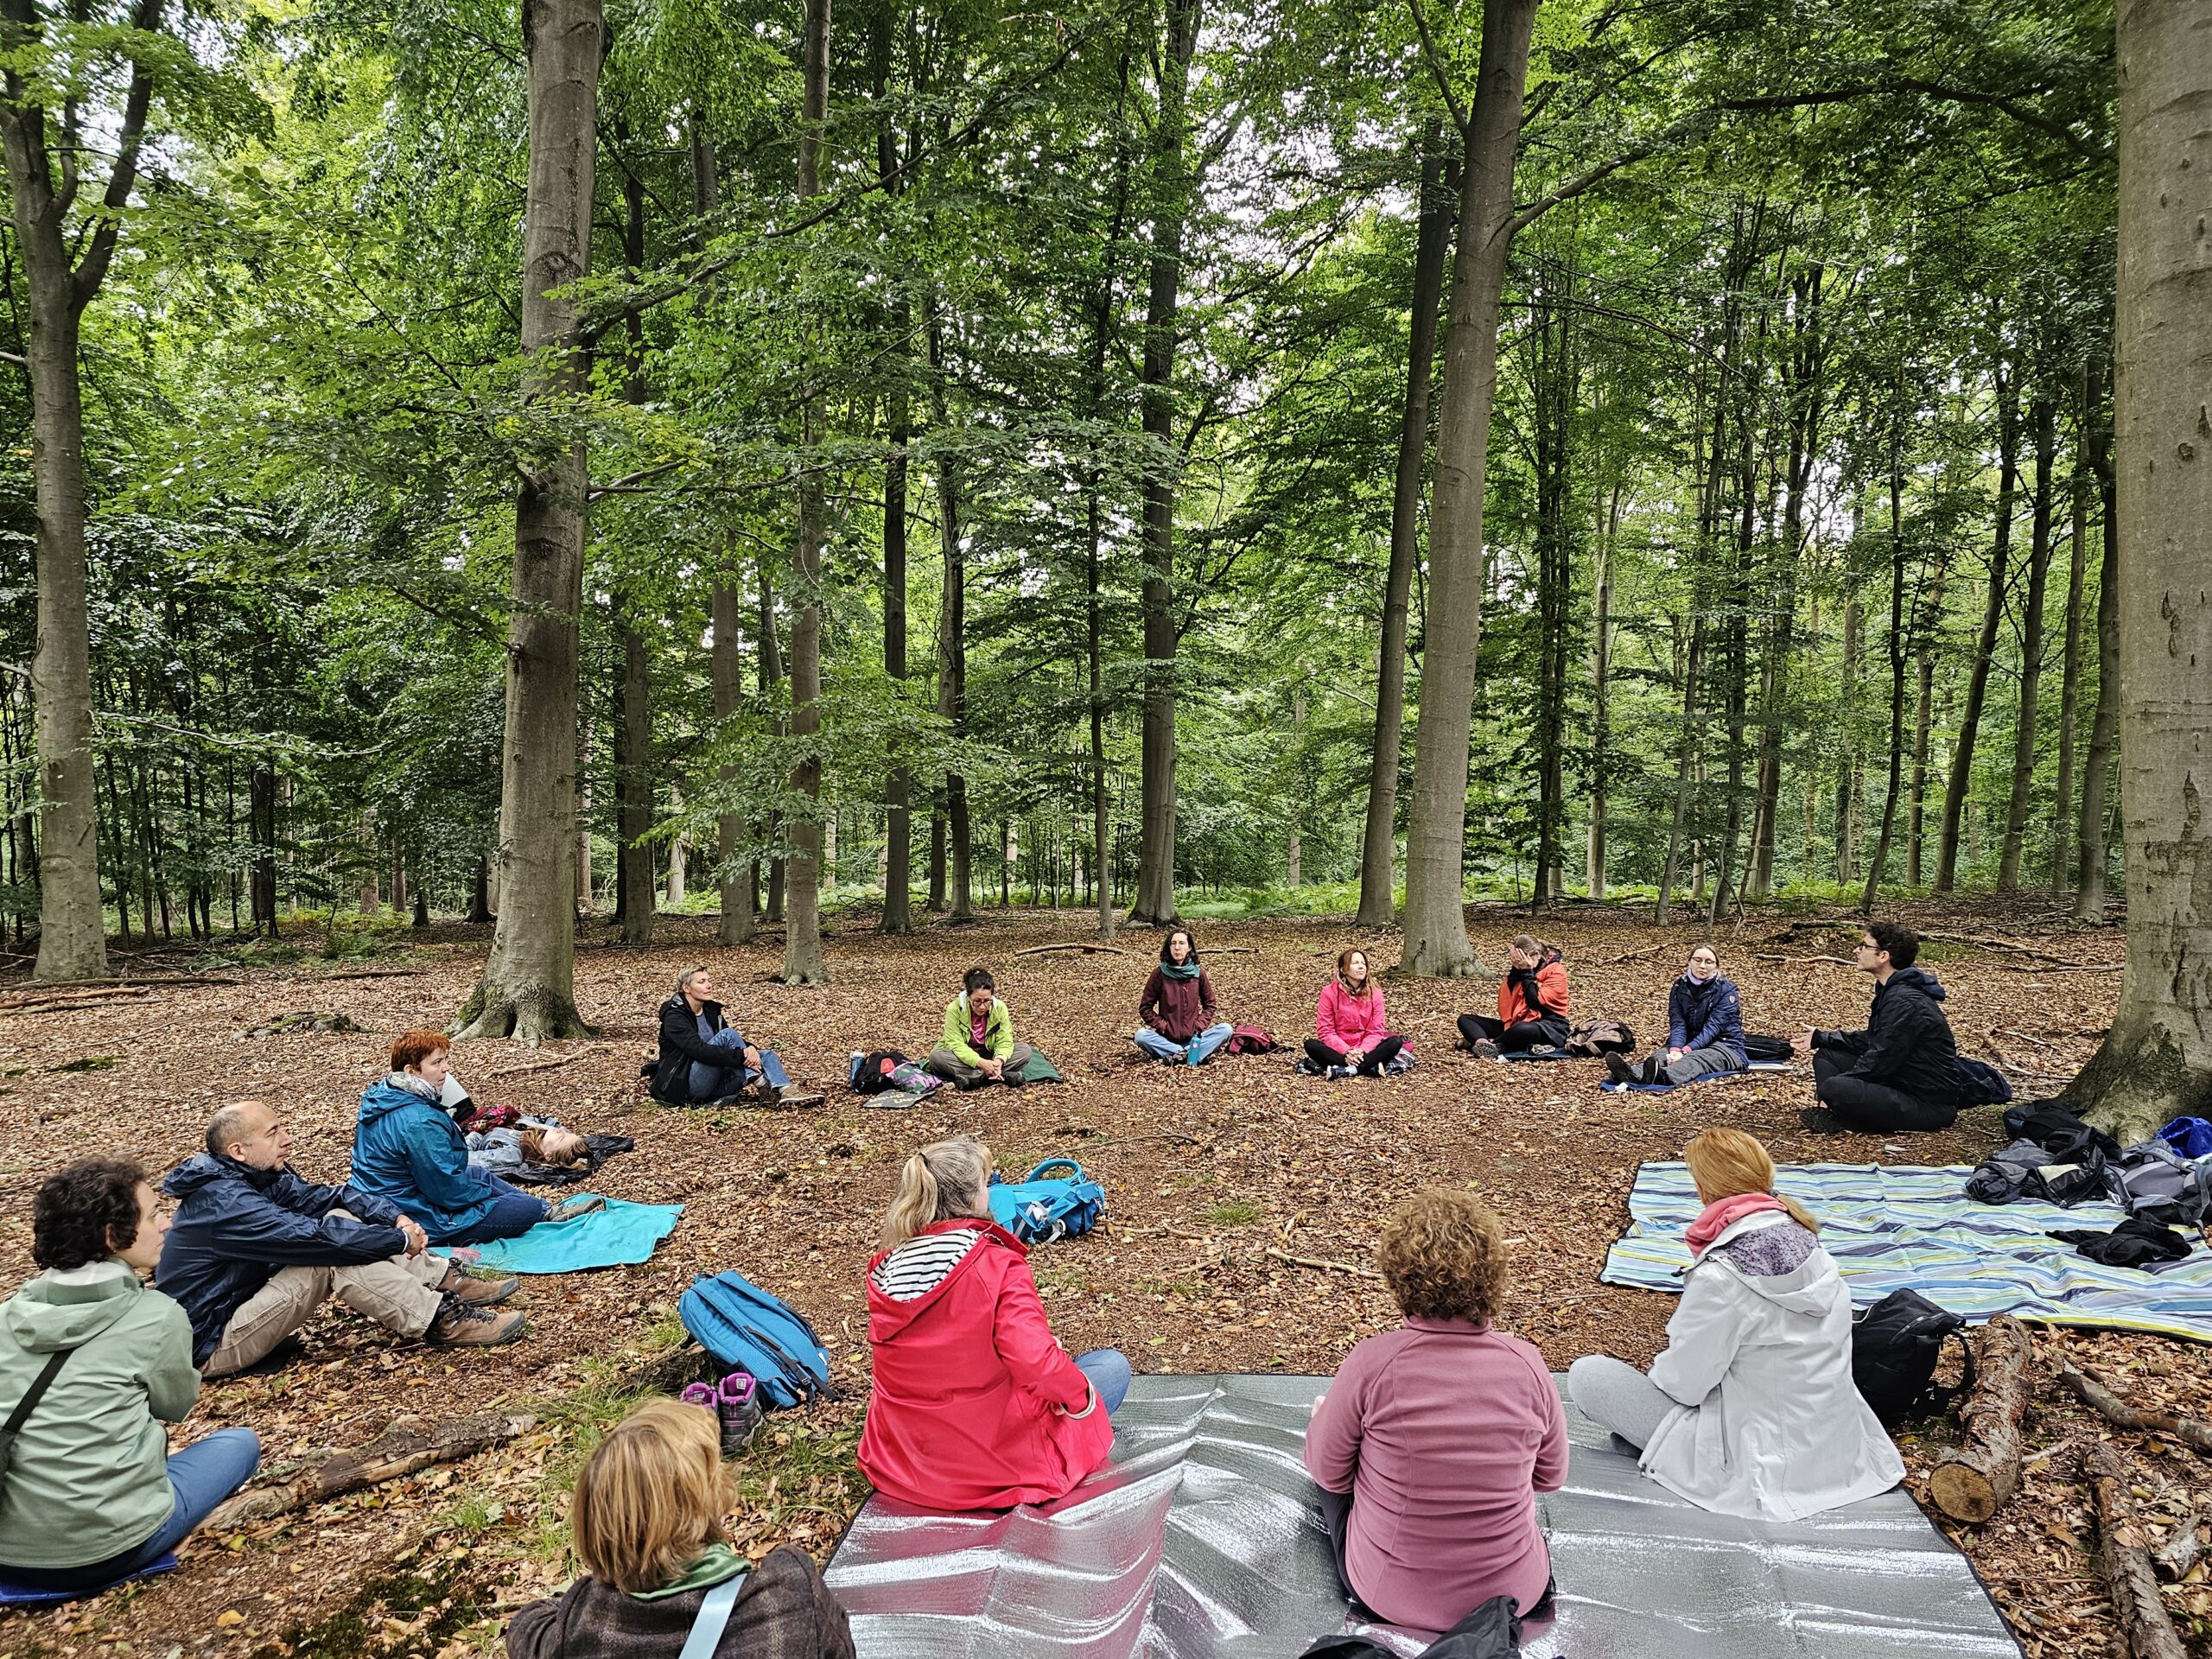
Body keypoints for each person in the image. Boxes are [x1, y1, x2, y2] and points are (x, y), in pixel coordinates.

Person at [1567, 1128, 1904, 1520]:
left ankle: (1659, 1449)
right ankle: (1655, 1444)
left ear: (1702, 1190)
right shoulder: (1813, 1246)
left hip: (1759, 1465)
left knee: (1589, 1375)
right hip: (1837, 1450)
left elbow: (1682, 1385)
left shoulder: (1721, 1276)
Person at [1303, 1189, 1566, 1630]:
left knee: (1325, 1443)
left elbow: (1329, 1473)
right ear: (1492, 1277)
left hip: (1390, 1595)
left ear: (1400, 1280)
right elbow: (1549, 1477)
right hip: (1514, 1594)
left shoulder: (1372, 1363)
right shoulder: (1529, 1364)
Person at [0, 1159, 261, 1592]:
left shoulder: (7, 1316)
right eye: (153, 1215)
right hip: (111, 1546)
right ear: (111, 1236)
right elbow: (175, 1405)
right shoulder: (156, 1315)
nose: (167, 1224)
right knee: (240, 1443)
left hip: (9, 1552)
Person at [158, 1100, 525, 1376]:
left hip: (237, 1309)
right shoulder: (225, 1201)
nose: (286, 1139)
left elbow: (334, 1198)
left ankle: (440, 1278)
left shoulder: (252, 1177)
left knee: (341, 1219)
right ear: (238, 1151)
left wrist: (395, 1218)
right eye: (272, 1134)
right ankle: (440, 1320)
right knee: (329, 1257)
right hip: (208, 1343)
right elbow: (312, 1240)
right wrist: (399, 1240)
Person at [858, 1135, 1128, 1510]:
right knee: (1111, 1367)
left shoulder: (886, 1269)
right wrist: (1081, 1401)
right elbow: (1035, 1360)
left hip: (902, 1465)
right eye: (986, 1183)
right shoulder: (996, 1264)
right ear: (975, 1197)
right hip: (996, 1466)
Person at [505, 1399, 854, 1659]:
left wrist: (610, 1578)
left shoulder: (581, 1627)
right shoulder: (788, 1597)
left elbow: (524, 1625)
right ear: (710, 1499)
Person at [353, 1031, 600, 1247]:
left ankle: (549, 1211)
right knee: (526, 1208)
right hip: (413, 1215)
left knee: (477, 1174)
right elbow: (445, 1191)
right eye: (437, 1063)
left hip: (382, 1199)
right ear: (411, 1071)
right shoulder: (419, 1121)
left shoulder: (384, 1097)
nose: (445, 1069)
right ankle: (540, 1210)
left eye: (445, 1060)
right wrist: (486, 1195)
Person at [1790, 921, 1967, 1133]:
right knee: (1828, 1056)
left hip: (1927, 1104)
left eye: (1864, 946)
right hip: (1900, 1082)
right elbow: (1873, 1039)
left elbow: (1881, 1059)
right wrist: (1821, 1038)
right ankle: (1840, 1112)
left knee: (1835, 1087)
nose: (1857, 951)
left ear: (1883, 956)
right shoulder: (1891, 990)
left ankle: (1846, 1118)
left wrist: (1838, 1088)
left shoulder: (1904, 1001)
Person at [649, 969, 823, 1109]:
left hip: (716, 1084)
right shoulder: (674, 1017)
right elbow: (698, 1050)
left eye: (709, 980)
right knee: (728, 1035)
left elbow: (731, 1044)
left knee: (766, 1055)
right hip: (687, 1087)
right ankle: (760, 1082)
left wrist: (750, 1048)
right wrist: (741, 1056)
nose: (709, 985)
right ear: (686, 988)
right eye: (701, 982)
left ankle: (786, 1090)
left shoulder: (711, 1010)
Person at [1607, 944, 1747, 1087]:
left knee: (1695, 1059)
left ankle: (1663, 1077)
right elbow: (1678, 1023)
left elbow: (1713, 1029)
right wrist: (1675, 1049)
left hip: (1725, 1045)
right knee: (1661, 1056)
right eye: (1697, 960)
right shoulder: (1679, 986)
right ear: (1689, 961)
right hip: (1688, 1041)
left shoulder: (1727, 991)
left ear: (1716, 966)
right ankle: (1631, 1074)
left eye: (1709, 962)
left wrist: (1685, 1051)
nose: (1702, 966)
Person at [925, 967, 1037, 1090]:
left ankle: (974, 1078)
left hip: (989, 1054)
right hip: (962, 1057)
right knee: (937, 1057)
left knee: (1024, 1050)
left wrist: (999, 1060)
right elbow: (955, 1043)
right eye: (977, 1001)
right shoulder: (954, 1009)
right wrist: (979, 1062)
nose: (982, 1007)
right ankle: (998, 1076)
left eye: (987, 1001)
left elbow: (1005, 1040)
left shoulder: (1000, 1008)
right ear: (968, 997)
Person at [1457, 936, 1569, 1058]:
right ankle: (1484, 1044)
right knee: (1465, 1020)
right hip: (1516, 1024)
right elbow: (1508, 994)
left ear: (1537, 954)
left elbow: (1535, 1003)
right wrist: (1516, 970)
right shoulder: (1520, 968)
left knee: (1522, 1029)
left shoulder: (1556, 971)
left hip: (1548, 1026)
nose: (1520, 963)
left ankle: (1492, 1043)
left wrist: (1527, 972)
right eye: (1516, 960)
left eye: (1522, 959)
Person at [1135, 927, 1233, 1065]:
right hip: (1166, 1039)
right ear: (1169, 947)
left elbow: (1210, 1005)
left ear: (1189, 947)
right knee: (1141, 1036)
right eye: (1173, 943)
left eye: (1181, 943)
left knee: (1226, 1029)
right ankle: (1190, 1054)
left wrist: (1198, 1025)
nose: (1177, 948)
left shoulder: (1198, 974)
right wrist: (1163, 1026)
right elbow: (1145, 1008)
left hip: (1194, 1037)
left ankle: (1178, 1055)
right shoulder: (1159, 974)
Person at [1306, 949, 1406, 1078]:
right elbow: (1326, 1030)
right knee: (1311, 1045)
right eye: (1355, 963)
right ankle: (1369, 1068)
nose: (1361, 967)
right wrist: (1347, 1051)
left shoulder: (1375, 993)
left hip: (1367, 1049)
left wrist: (1362, 1051)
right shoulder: (1329, 992)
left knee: (1395, 1042)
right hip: (1339, 1050)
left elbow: (1376, 1030)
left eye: (1363, 963)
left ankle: (1346, 1070)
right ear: (1343, 969)